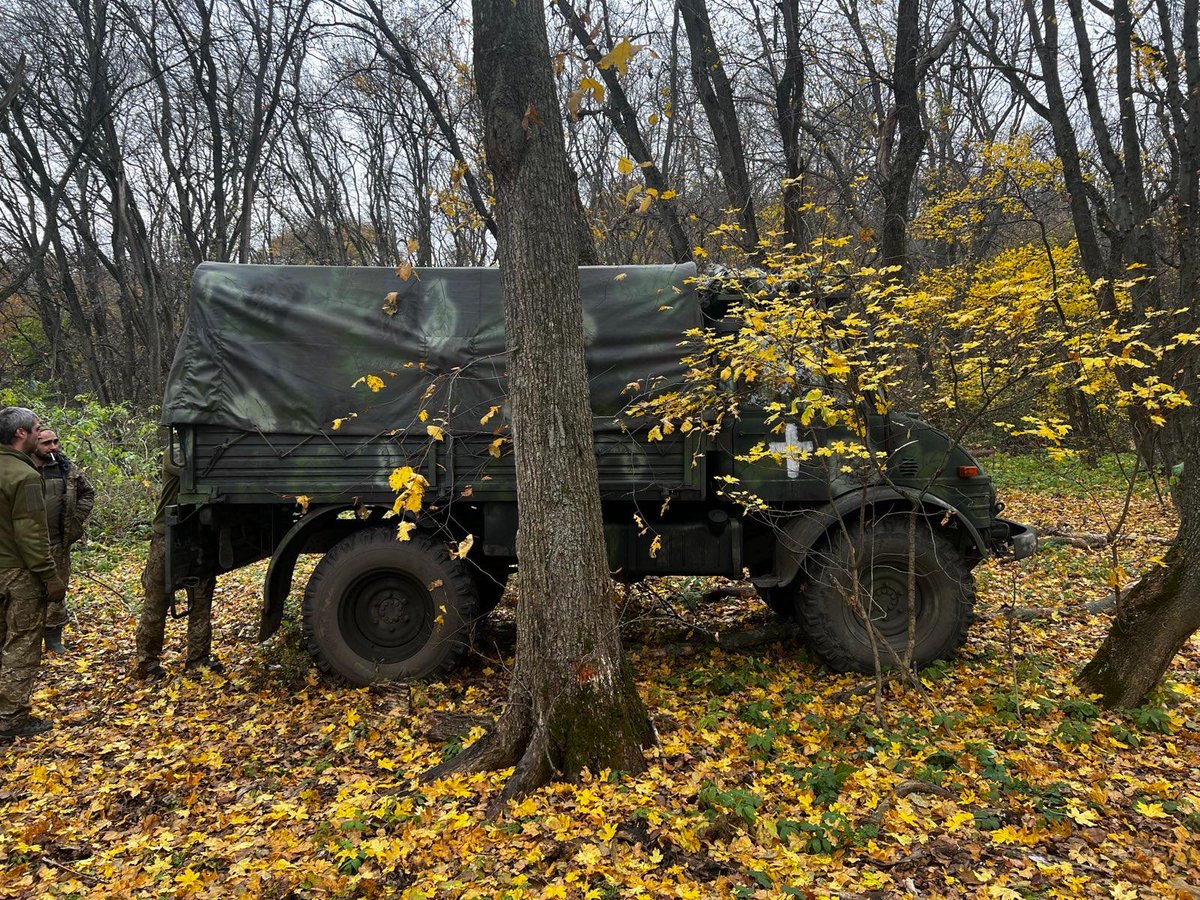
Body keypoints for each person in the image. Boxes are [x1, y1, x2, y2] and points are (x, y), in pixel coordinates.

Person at [0, 407, 66, 739]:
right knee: (22, 645)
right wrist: (50, 577)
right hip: (18, 573)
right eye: (36, 429)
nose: (40, 434)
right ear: (20, 434)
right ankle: (11, 720)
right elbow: (31, 533)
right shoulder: (25, 477)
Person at [134, 451, 221, 678]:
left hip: (199, 535)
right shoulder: (174, 453)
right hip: (168, 535)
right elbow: (193, 472)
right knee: (157, 599)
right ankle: (147, 663)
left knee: (201, 598)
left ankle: (198, 659)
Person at [31, 428, 95, 653]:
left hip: (57, 542)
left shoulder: (66, 468)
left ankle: (53, 637)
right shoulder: (22, 468)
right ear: (33, 443)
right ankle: (27, 641)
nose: (53, 447)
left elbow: (88, 493)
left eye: (56, 441)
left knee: (56, 591)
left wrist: (76, 521)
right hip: (25, 544)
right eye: (47, 443)